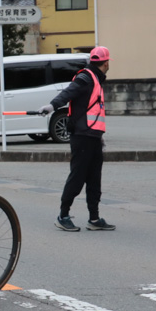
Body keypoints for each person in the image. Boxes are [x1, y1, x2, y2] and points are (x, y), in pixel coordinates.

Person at [41, 46, 115, 232]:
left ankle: (94, 218)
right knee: (77, 178)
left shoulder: (95, 79)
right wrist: (52, 106)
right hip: (82, 137)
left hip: (93, 137)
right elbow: (68, 93)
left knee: (94, 179)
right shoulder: (86, 77)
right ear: (106, 63)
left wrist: (99, 136)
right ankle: (63, 215)